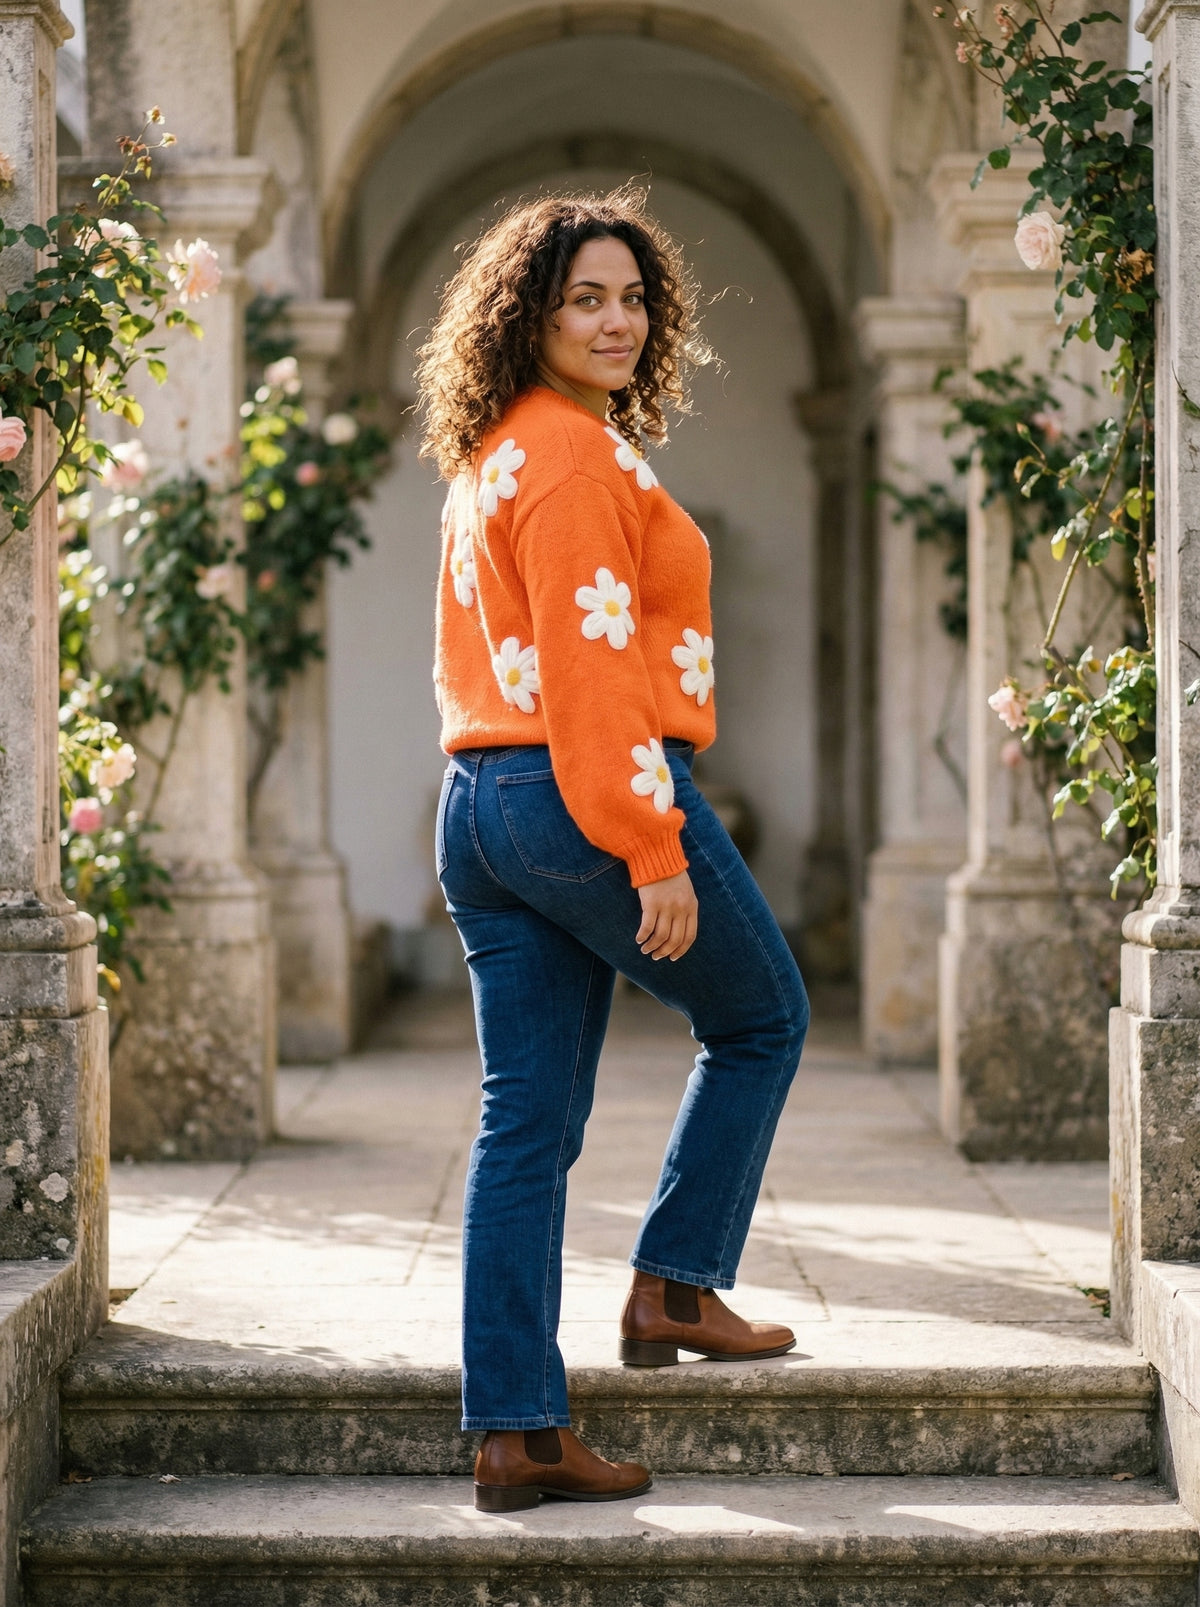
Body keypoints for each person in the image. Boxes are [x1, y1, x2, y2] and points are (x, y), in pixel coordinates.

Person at [416, 188, 809, 1515]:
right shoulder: (574, 459)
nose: (616, 321)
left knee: (523, 1123)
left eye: (632, 298)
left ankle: (518, 1435)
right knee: (762, 1019)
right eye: (584, 297)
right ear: (527, 314)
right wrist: (651, 846)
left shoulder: (498, 451)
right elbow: (589, 672)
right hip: (581, 788)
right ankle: (676, 1286)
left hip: (482, 797)